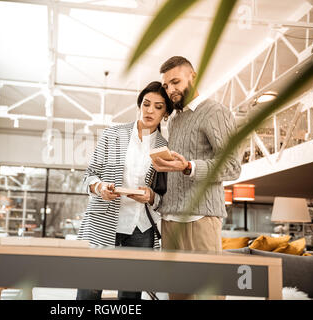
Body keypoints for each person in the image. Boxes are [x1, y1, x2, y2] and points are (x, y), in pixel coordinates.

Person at [152, 56, 241, 300]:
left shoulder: (215, 112)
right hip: (170, 221)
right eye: (167, 85)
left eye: (176, 82)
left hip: (199, 219)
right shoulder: (176, 119)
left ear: (194, 76)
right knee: (177, 296)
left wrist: (189, 167)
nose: (170, 90)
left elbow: (232, 166)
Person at [76, 81, 173, 300]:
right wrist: (100, 187)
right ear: (139, 105)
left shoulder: (166, 147)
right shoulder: (113, 135)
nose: (150, 110)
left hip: (141, 228)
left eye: (158, 107)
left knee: (131, 296)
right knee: (89, 290)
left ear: (165, 113)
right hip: (104, 222)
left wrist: (151, 197)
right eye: (146, 104)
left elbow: (166, 197)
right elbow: (89, 175)